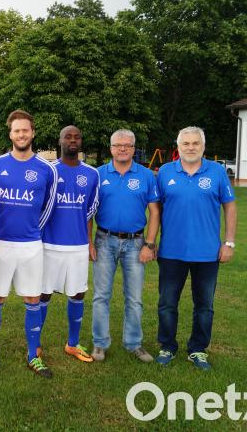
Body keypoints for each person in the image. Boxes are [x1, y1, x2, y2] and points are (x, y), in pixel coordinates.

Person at [0, 109, 57, 378]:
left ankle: (34, 355)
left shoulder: (47, 169)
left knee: (32, 297)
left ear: (33, 132)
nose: (21, 134)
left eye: (25, 130)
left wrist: (33, 230)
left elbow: (48, 207)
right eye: (16, 130)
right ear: (10, 134)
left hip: (32, 245)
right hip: (1, 243)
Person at [154, 126, 237, 370]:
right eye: (186, 143)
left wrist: (229, 242)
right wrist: (151, 241)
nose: (191, 147)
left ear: (203, 146)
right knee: (167, 303)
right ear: (178, 147)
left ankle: (198, 349)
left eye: (195, 143)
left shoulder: (217, 172)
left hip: (207, 253)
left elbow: (230, 207)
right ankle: (167, 346)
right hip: (171, 252)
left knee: (204, 306)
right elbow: (155, 209)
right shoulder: (166, 172)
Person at [91, 129, 160, 363]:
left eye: (127, 145)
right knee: (101, 295)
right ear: (110, 148)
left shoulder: (147, 175)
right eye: (118, 145)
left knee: (135, 298)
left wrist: (149, 244)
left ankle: (134, 343)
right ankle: (100, 343)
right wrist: (89, 243)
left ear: (134, 148)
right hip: (104, 240)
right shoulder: (98, 174)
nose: (122, 148)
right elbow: (88, 212)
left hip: (136, 243)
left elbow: (154, 211)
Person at [39, 125, 100, 364]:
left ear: (81, 141)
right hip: (49, 245)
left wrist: (89, 242)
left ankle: (72, 344)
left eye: (76, 137)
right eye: (68, 136)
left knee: (78, 292)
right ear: (60, 140)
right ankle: (35, 345)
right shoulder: (48, 171)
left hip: (77, 246)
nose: (72, 140)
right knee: (43, 294)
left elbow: (89, 212)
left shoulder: (92, 174)